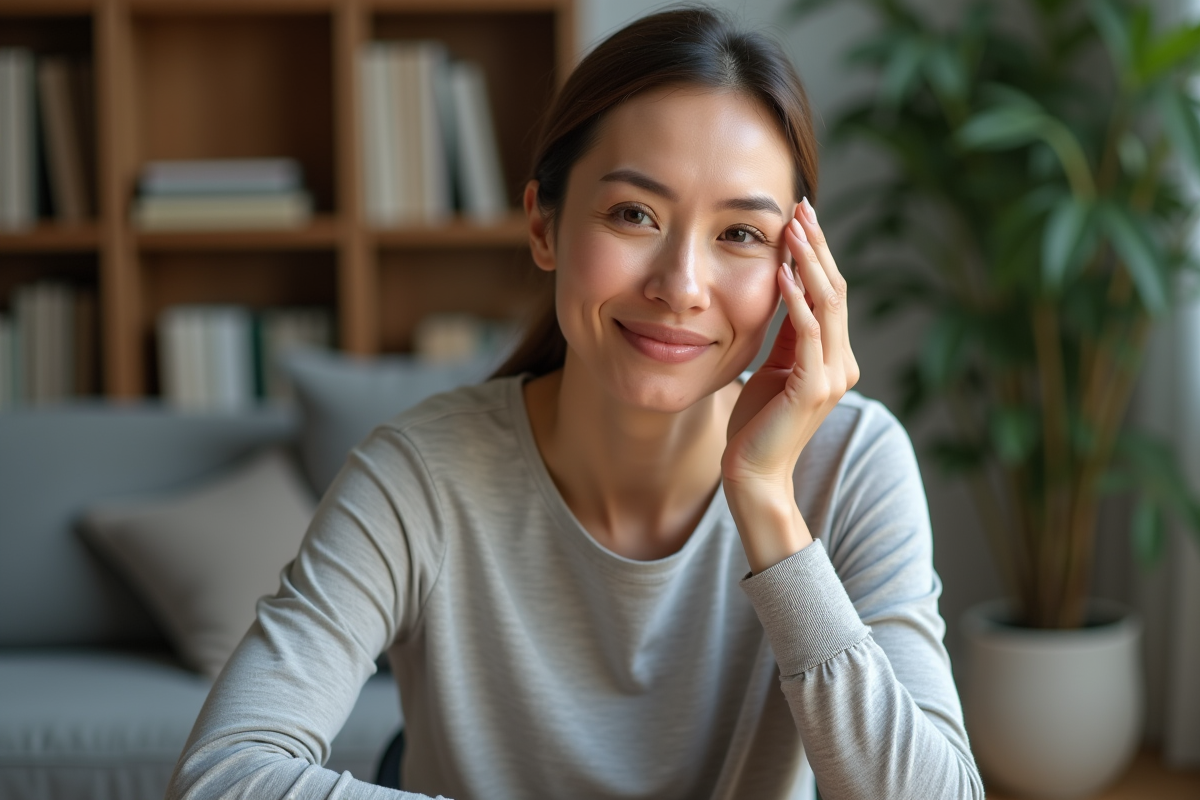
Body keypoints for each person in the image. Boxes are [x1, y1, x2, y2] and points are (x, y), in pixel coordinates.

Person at [167, 6, 983, 799]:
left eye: (740, 234)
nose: (682, 287)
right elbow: (223, 775)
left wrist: (769, 507)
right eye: (634, 214)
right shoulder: (420, 476)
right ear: (544, 226)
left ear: (796, 272)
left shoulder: (852, 462)